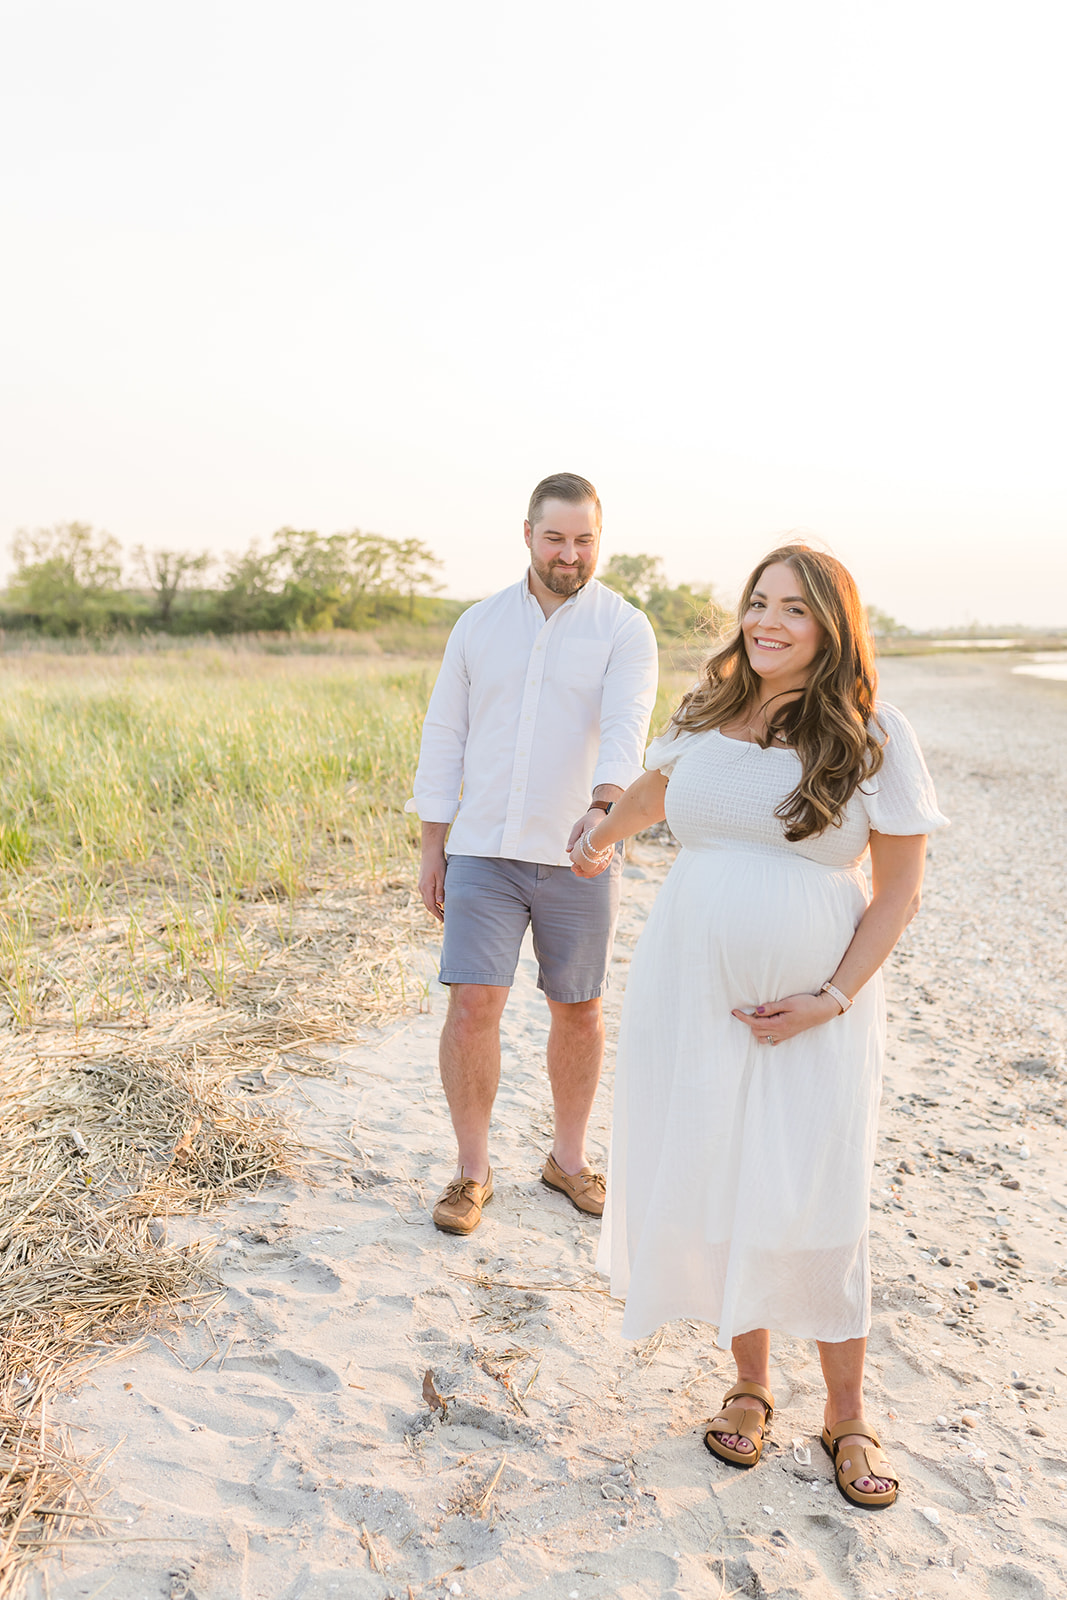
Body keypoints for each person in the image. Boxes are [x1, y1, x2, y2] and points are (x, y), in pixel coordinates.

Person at [569, 543, 946, 1509]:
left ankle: (847, 1412)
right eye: (758, 603)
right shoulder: (703, 713)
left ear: (832, 627)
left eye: (795, 610)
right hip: (687, 988)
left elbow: (898, 892)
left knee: (814, 1189)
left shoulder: (872, 734)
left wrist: (832, 996)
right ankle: (748, 1385)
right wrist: (599, 835)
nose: (768, 623)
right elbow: (657, 793)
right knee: (724, 1175)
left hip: (817, 1005)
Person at [407, 472, 659, 1236]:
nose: (569, 553)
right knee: (472, 1003)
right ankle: (471, 1171)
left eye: (584, 540)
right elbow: (443, 733)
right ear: (526, 535)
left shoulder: (624, 628)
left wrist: (605, 809)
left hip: (579, 849)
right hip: (482, 848)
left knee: (577, 1010)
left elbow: (626, 724)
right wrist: (431, 844)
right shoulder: (477, 626)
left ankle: (568, 1161)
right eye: (555, 537)